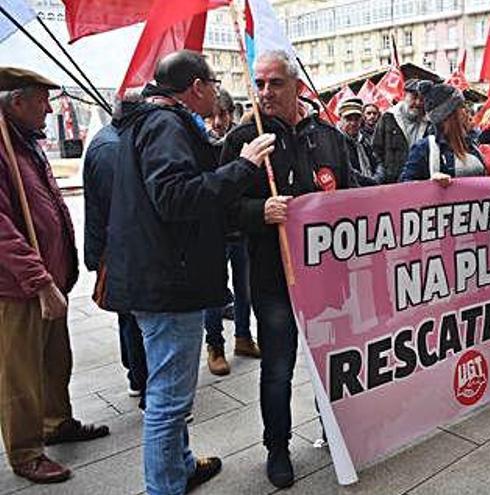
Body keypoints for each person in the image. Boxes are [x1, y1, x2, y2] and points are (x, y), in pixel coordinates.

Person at [104, 51, 275, 494]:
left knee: (171, 391)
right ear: (196, 87)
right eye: (214, 83)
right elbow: (176, 197)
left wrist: (228, 156)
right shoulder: (164, 124)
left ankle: (178, 467)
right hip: (167, 281)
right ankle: (164, 487)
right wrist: (244, 167)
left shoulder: (156, 121)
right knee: (168, 399)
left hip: (158, 276)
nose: (218, 92)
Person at [221, 50, 351, 488]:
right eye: (258, 84)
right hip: (273, 278)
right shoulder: (245, 137)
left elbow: (356, 195)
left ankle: (337, 430)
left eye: (274, 83)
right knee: (278, 367)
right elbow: (219, 208)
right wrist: (261, 210)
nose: (264, 93)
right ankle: (277, 447)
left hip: (327, 279)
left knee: (334, 361)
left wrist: (429, 190)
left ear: (297, 86)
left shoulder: (329, 136)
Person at [0, 67, 110, 485]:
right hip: (19, 288)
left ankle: (55, 422)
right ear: (17, 101)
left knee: (53, 361)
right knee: (20, 373)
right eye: (42, 100)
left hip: (47, 279)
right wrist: (40, 280)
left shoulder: (24, 142)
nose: (50, 108)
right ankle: (26, 452)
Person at [83, 95, 149, 405]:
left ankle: (136, 375)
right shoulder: (111, 149)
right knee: (133, 315)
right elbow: (123, 206)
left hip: (116, 245)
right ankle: (140, 377)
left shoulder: (113, 141)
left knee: (129, 315)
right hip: (119, 248)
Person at [203, 89, 261, 377]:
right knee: (214, 291)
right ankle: (215, 345)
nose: (217, 122)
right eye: (212, 116)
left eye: (222, 115)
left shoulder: (241, 139)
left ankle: (243, 336)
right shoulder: (199, 141)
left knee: (244, 286)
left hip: (239, 227)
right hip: (213, 230)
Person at [400, 83, 485, 182]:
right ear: (448, 116)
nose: (467, 111)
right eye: (461, 106)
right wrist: (429, 184)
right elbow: (405, 188)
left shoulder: (472, 143)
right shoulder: (424, 148)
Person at [373, 79, 430, 183]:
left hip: (421, 183)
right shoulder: (388, 118)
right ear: (404, 96)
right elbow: (376, 151)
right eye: (414, 97)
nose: (417, 103)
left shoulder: (429, 122)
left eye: (421, 99)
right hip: (393, 184)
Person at [338, 97, 384, 186]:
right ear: (341, 119)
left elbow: (377, 161)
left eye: (356, 119)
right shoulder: (336, 142)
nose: (353, 123)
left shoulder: (365, 139)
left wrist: (378, 178)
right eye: (349, 119)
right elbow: (347, 170)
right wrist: (370, 181)